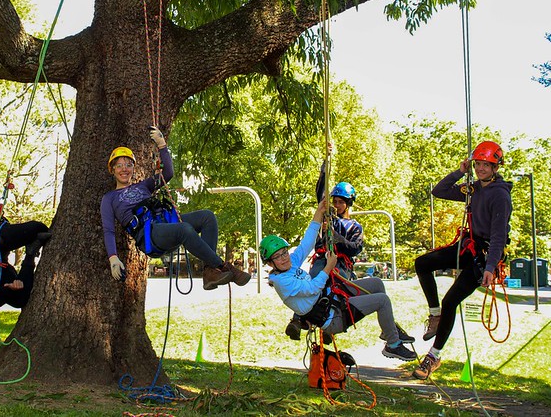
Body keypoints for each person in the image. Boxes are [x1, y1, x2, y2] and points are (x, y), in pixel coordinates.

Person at [262, 199, 416, 362]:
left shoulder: (289, 265)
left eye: (284, 252)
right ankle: (393, 344)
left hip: (334, 298)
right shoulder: (282, 282)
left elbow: (306, 243)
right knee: (382, 301)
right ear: (270, 263)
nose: (284, 258)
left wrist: (319, 212)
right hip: (333, 317)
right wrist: (328, 267)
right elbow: (313, 288)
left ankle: (388, 330)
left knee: (376, 283)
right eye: (277, 257)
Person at [100, 126, 251, 290]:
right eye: (119, 165)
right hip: (150, 235)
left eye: (128, 165)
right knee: (184, 229)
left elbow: (168, 173)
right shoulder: (109, 199)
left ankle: (210, 272)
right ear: (112, 169)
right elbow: (109, 230)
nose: (124, 169)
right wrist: (113, 258)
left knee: (207, 217)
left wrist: (162, 146)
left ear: (133, 168)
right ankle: (225, 268)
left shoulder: (144, 186)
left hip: (166, 223)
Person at [412, 140, 512, 379]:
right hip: (468, 247)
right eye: (478, 164)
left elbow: (499, 235)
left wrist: (490, 267)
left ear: (496, 166)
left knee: (451, 301)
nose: (480, 169)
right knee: (422, 263)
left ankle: (433, 357)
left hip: (484, 256)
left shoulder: (500, 196)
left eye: (486, 165)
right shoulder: (473, 188)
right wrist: (460, 171)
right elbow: (439, 191)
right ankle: (435, 315)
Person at [285, 156, 364, 340]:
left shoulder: (354, 226)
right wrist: (325, 166)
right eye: (334, 201)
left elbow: (355, 248)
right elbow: (321, 192)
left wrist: (338, 239)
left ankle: (328, 326)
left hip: (341, 264)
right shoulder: (328, 217)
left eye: (340, 202)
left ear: (348, 203)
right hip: (323, 259)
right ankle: (297, 320)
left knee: (337, 291)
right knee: (312, 282)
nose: (336, 205)